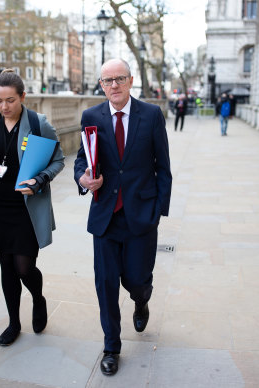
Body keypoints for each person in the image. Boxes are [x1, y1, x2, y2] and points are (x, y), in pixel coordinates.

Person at [74, 58, 172, 376]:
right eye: (107, 80)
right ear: (101, 85)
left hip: (141, 216)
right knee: (105, 284)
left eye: (119, 79)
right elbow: (81, 161)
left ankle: (141, 299)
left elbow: (163, 168)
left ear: (130, 81)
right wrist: (84, 179)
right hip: (105, 216)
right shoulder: (91, 116)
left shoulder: (151, 115)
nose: (113, 85)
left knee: (137, 279)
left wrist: (158, 211)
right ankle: (111, 347)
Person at [0, 69, 64, 347]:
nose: (4, 107)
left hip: (25, 205)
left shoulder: (37, 122)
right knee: (6, 265)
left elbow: (58, 160)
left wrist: (40, 179)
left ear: (22, 96)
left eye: (10, 100)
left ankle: (38, 298)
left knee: (24, 266)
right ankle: (13, 323)